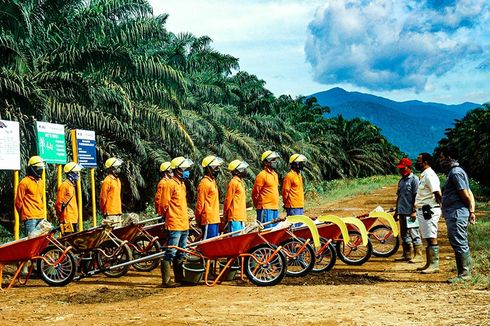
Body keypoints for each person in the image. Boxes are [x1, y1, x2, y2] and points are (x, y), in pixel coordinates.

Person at [439, 146, 476, 283]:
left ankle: (465, 274)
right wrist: (471, 210)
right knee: (458, 241)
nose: (441, 161)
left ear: (449, 158)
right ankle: (463, 273)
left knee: (460, 242)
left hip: (457, 213)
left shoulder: (455, 173)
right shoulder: (456, 172)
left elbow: (465, 194)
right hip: (455, 213)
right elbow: (469, 192)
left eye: (442, 158)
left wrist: (470, 209)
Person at [159, 156, 193, 287]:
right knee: (171, 251)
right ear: (177, 170)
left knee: (181, 251)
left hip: (183, 223)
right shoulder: (170, 184)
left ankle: (180, 277)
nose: (187, 171)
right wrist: (167, 217)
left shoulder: (182, 184)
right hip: (174, 223)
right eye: (184, 169)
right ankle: (166, 280)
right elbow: (163, 205)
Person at [413, 153, 442, 274]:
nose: (417, 162)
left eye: (418, 160)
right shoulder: (424, 175)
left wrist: (441, 205)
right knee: (427, 236)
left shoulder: (430, 175)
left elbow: (437, 192)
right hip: (424, 209)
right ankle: (429, 263)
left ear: (425, 162)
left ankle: (434, 265)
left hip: (429, 209)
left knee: (431, 236)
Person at [393, 158, 423, 262]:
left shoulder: (414, 179)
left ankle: (418, 255)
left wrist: (414, 210)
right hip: (402, 211)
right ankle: (407, 254)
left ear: (409, 168)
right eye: (400, 169)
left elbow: (417, 196)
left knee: (414, 233)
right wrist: (397, 211)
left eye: (403, 168)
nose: (401, 171)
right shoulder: (401, 181)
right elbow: (399, 197)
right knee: (404, 234)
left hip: (410, 213)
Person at [15, 156, 46, 237]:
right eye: (38, 168)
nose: (40, 170)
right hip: (30, 217)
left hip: (41, 216)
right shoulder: (24, 182)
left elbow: (40, 198)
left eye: (41, 168)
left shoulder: (41, 182)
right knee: (30, 241)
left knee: (40, 241)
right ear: (32, 169)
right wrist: (24, 214)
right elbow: (18, 202)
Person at [195, 155, 224, 239]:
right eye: (215, 168)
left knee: (213, 243)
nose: (217, 170)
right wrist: (198, 219)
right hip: (208, 219)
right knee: (208, 243)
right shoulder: (204, 183)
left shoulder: (212, 181)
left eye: (218, 167)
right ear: (208, 169)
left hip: (214, 219)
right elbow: (200, 203)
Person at [252, 150, 280, 228]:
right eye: (272, 160)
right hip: (265, 208)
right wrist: (258, 205)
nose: (275, 162)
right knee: (266, 231)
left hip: (275, 207)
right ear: (266, 162)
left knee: (274, 230)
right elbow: (255, 193)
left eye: (275, 160)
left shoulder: (275, 174)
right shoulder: (262, 175)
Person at [55, 162, 83, 234]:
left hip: (73, 218)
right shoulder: (65, 185)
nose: (78, 174)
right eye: (76, 172)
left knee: (73, 240)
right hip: (67, 219)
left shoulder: (71, 185)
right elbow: (58, 203)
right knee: (67, 240)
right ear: (70, 174)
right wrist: (61, 216)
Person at [223, 160, 249, 233]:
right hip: (235, 216)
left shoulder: (240, 182)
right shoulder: (233, 182)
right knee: (235, 237)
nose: (244, 171)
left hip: (241, 216)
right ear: (236, 172)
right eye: (241, 169)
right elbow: (228, 200)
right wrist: (225, 215)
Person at [100, 157, 123, 227]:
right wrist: (104, 211)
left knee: (119, 232)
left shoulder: (118, 180)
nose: (119, 169)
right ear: (112, 169)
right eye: (117, 167)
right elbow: (103, 198)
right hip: (110, 212)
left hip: (118, 211)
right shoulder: (107, 181)